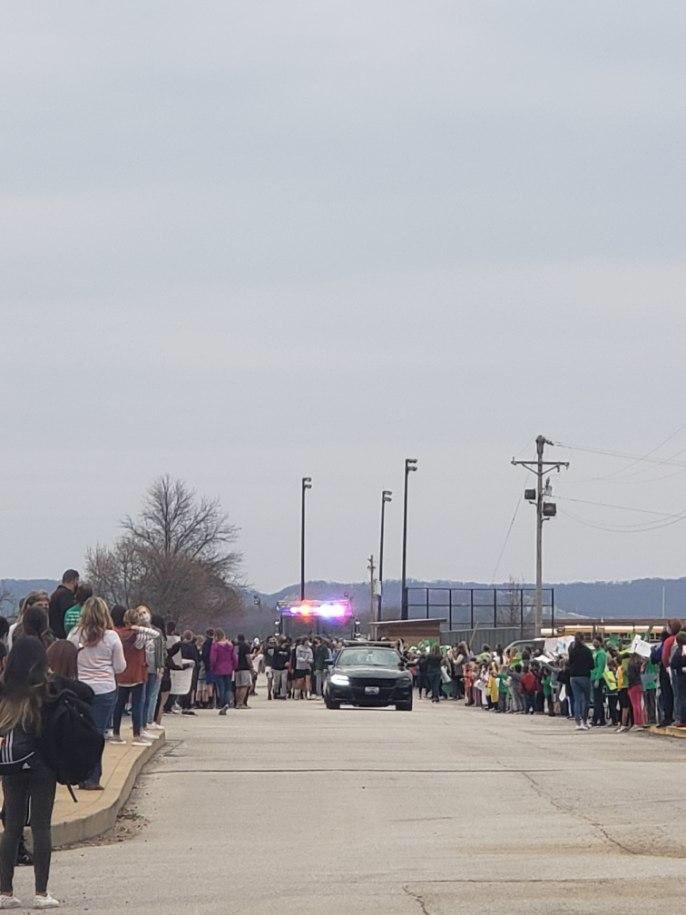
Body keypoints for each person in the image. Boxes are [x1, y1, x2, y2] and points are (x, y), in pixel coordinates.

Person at [0, 638, 61, 908]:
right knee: (40, 826)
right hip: (41, 763)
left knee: (11, 826)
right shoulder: (45, 690)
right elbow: (84, 693)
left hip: (11, 762)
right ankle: (41, 892)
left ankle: (5, 891)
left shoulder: (5, 689)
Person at [67, 597, 126, 788]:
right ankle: (93, 776)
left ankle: (78, 773)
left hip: (79, 689)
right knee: (97, 733)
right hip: (104, 689)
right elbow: (119, 667)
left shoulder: (75, 635)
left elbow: (68, 662)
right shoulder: (111, 637)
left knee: (79, 732)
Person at [111, 608, 158, 746]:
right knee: (137, 705)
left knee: (119, 705)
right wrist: (138, 627)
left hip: (122, 674)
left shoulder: (117, 634)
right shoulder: (139, 636)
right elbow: (155, 635)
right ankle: (137, 735)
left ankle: (116, 733)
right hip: (137, 673)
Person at [142, 610, 166, 732]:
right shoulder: (156, 632)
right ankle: (147, 720)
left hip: (149, 667)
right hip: (146, 667)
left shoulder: (141, 631)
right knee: (150, 695)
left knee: (149, 695)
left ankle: (147, 719)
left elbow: (160, 651)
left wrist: (160, 667)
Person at [568, 632, 594, 731]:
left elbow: (570, 662)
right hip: (584, 676)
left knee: (577, 700)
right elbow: (592, 665)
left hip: (573, 677)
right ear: (583, 639)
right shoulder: (587, 651)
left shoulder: (572, 650)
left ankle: (578, 723)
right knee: (586, 701)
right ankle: (584, 721)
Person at [209, 630, 236, 715]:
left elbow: (213, 659)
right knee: (228, 687)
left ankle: (223, 704)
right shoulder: (230, 646)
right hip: (228, 668)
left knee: (221, 687)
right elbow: (234, 657)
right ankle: (227, 703)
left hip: (218, 669)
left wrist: (212, 667)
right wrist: (234, 667)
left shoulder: (215, 646)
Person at [48, 570, 79, 640]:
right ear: (74, 581)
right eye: (77, 581)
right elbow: (70, 618)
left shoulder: (55, 594)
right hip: (63, 637)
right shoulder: (67, 596)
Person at [591, 637, 608, 726]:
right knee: (597, 700)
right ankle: (600, 719)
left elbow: (601, 667)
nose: (594, 643)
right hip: (593, 677)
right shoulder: (595, 652)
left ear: (600, 643)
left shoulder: (601, 653)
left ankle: (597, 719)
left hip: (598, 678)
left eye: (596, 642)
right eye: (593, 642)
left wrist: (597, 679)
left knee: (598, 700)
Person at [234, 635, 253, 708]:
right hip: (244, 668)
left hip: (237, 668)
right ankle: (241, 703)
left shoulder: (236, 646)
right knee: (244, 686)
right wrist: (251, 667)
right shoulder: (246, 646)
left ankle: (237, 703)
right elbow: (248, 657)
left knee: (238, 686)